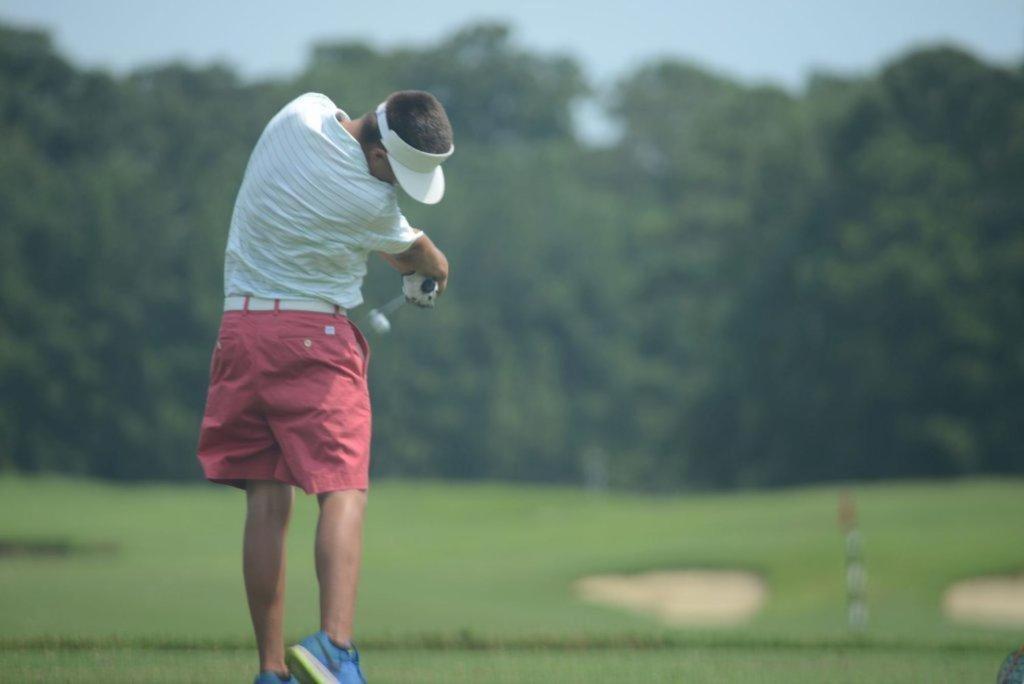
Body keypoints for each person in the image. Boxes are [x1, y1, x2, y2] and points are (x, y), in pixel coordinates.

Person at [196, 90, 453, 684]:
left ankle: (269, 671)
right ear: (381, 154)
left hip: (240, 330)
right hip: (313, 338)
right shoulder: (370, 201)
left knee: (266, 498)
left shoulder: (301, 111)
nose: (393, 183)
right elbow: (421, 257)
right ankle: (335, 647)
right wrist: (434, 274)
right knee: (342, 488)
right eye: (397, 171)